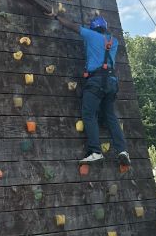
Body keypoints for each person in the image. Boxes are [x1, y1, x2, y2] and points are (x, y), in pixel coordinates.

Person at [52, 11, 131, 169]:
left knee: (89, 114)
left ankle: (95, 151)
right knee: (110, 116)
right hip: (112, 83)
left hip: (95, 82)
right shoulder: (113, 41)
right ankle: (122, 150)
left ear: (94, 28)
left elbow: (73, 27)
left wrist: (56, 16)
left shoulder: (90, 35)